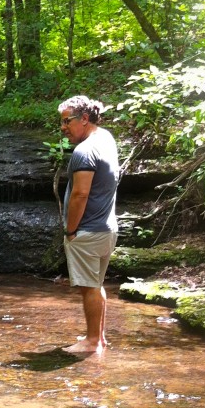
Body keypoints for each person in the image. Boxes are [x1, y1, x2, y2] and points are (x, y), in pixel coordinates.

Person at [58, 95, 120, 354]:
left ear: (84, 119)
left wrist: (71, 230)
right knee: (96, 284)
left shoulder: (83, 152)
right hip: (107, 228)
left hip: (87, 231)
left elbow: (80, 194)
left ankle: (92, 341)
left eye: (67, 121)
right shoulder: (105, 138)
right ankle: (99, 337)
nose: (63, 128)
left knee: (90, 288)